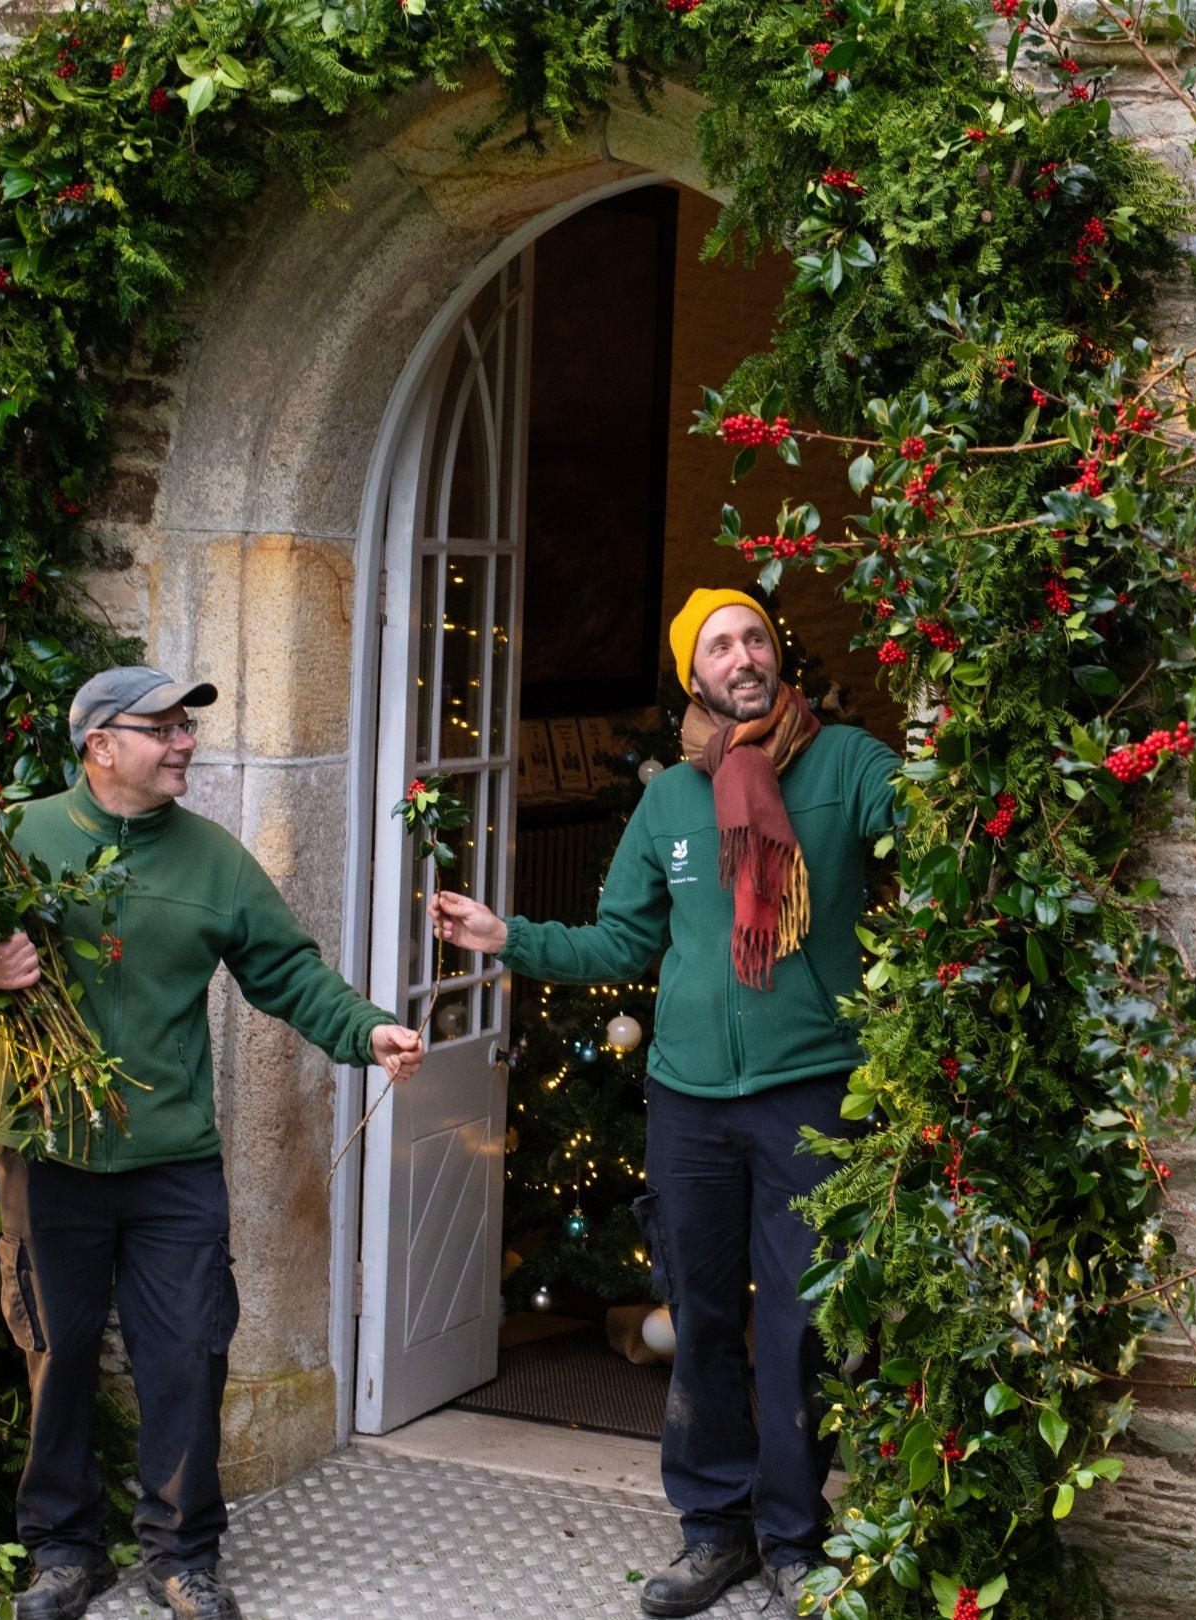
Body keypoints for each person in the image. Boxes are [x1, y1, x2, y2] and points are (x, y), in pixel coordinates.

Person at [430, 591, 899, 1620]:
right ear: (694, 675)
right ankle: (713, 1530)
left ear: (779, 657)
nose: (743, 657)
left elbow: (927, 823)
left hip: (811, 1093)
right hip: (686, 1101)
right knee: (700, 1316)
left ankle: (792, 1532)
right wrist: (512, 938)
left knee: (803, 1326)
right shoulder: (671, 803)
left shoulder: (848, 765)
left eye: (756, 639)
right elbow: (618, 943)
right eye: (719, 645)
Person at [0, 666, 424, 1620]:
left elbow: (288, 971)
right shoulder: (16, 838)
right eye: (161, 728)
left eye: (186, 727)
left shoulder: (214, 860)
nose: (184, 743)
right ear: (100, 745)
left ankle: (181, 1554)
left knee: (188, 1352)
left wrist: (366, 1030)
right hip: (49, 1149)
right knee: (59, 1348)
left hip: (174, 1160)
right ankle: (61, 1551)